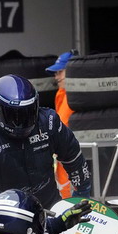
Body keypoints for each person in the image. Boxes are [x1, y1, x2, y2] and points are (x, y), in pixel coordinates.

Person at [0, 74, 91, 208]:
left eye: (28, 113)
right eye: (12, 115)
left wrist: (82, 194)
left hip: (51, 209)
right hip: (8, 215)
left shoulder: (49, 122)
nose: (20, 123)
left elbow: (74, 157)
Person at [47, 51, 75, 198]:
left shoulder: (77, 97)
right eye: (55, 73)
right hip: (62, 164)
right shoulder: (61, 94)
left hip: (73, 162)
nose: (56, 77)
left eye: (60, 72)